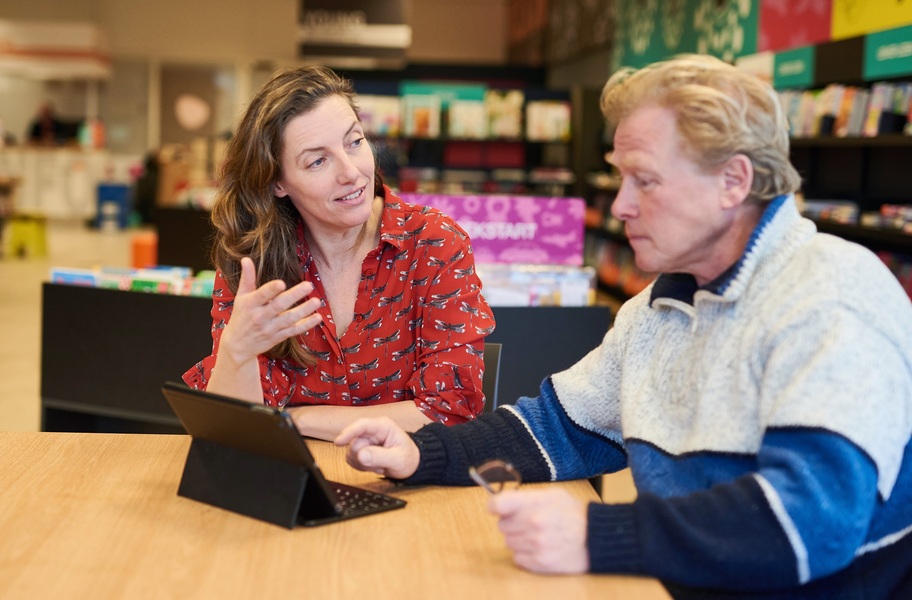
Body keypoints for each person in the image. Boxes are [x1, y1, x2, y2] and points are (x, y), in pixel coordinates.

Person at [335, 54, 912, 599]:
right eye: (621, 179)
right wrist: (422, 454)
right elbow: (561, 427)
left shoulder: (830, 298)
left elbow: (811, 522)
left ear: (734, 181)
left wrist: (597, 533)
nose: (620, 207)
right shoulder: (657, 311)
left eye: (646, 181)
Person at [182, 66, 494, 441]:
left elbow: (452, 410)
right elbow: (231, 430)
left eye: (354, 142)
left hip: (411, 484)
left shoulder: (434, 243)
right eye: (318, 161)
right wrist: (236, 351)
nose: (352, 172)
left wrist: (293, 422)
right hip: (288, 481)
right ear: (277, 182)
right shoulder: (253, 259)